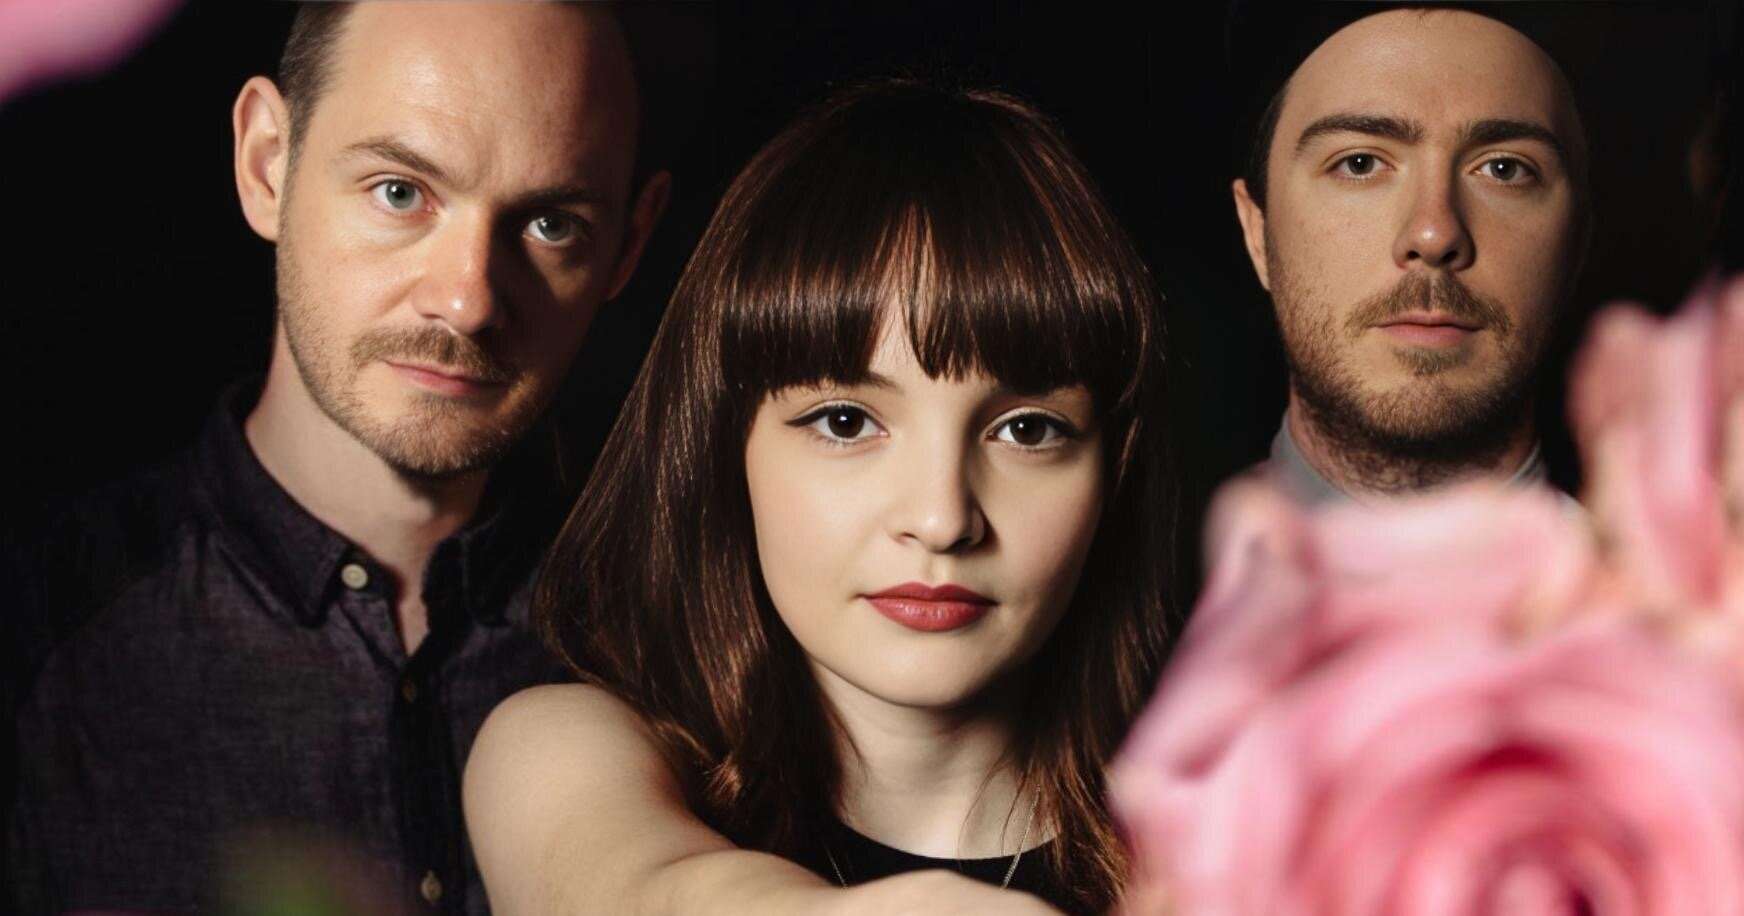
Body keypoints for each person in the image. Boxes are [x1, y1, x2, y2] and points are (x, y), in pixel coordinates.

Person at [5, 3, 669, 912]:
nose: (469, 300)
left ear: (627, 248)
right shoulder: (43, 644)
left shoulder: (684, 636)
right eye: (400, 192)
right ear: (266, 164)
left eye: (551, 225)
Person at [464, 80, 1174, 915]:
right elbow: (640, 890)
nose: (942, 519)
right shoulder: (562, 754)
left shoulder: (1249, 831)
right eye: (846, 421)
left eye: (1026, 431)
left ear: (1110, 475)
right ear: (729, 448)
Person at [1228, 6, 1591, 503]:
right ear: (1257, 234)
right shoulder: (1151, 576)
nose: (1434, 233)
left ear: (1576, 244)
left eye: (1504, 169)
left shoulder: (1686, 582)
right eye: (1359, 164)